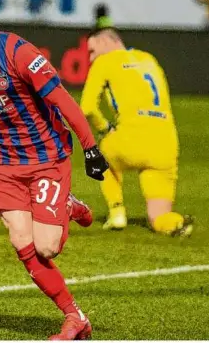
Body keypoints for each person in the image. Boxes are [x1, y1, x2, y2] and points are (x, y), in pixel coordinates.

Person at [0, 0, 108, 340]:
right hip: (4, 167)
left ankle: (66, 203)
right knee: (21, 241)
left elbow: (63, 101)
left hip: (46, 158)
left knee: (47, 246)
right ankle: (75, 317)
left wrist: (91, 148)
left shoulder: (17, 52)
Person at [80, 27, 193, 237]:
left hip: (129, 141)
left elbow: (87, 108)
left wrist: (104, 128)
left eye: (92, 50)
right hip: (165, 144)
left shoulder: (105, 62)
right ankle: (174, 223)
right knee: (157, 217)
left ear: (106, 42)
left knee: (98, 156)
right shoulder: (149, 60)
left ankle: (116, 212)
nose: (91, 57)